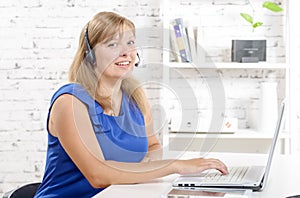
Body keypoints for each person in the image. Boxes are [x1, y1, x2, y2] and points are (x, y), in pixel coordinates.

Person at [34, 11, 228, 198]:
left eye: (130, 43)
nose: (126, 52)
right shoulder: (70, 102)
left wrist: (143, 166)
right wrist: (175, 165)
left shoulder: (134, 97)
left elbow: (153, 146)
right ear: (90, 54)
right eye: (112, 44)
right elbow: (97, 175)